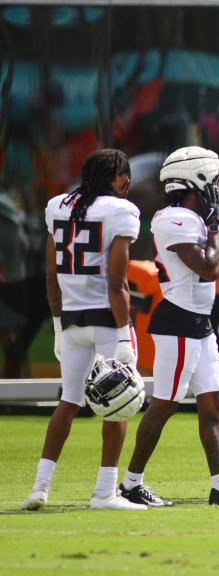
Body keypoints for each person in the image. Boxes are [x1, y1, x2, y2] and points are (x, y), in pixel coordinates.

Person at [119, 146, 219, 506]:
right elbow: (204, 266)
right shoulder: (174, 219)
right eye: (214, 181)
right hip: (178, 322)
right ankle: (130, 484)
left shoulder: (190, 219)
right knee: (164, 404)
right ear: (193, 182)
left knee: (212, 404)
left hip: (197, 323)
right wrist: (217, 232)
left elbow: (208, 267)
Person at [22, 149, 146, 511]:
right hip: (108, 320)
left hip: (73, 320)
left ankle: (40, 488)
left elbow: (51, 277)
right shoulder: (121, 211)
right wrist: (124, 334)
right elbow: (118, 284)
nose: (128, 183)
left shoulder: (58, 205)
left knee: (68, 401)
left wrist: (59, 327)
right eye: (126, 175)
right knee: (120, 405)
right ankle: (105, 493)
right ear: (116, 177)